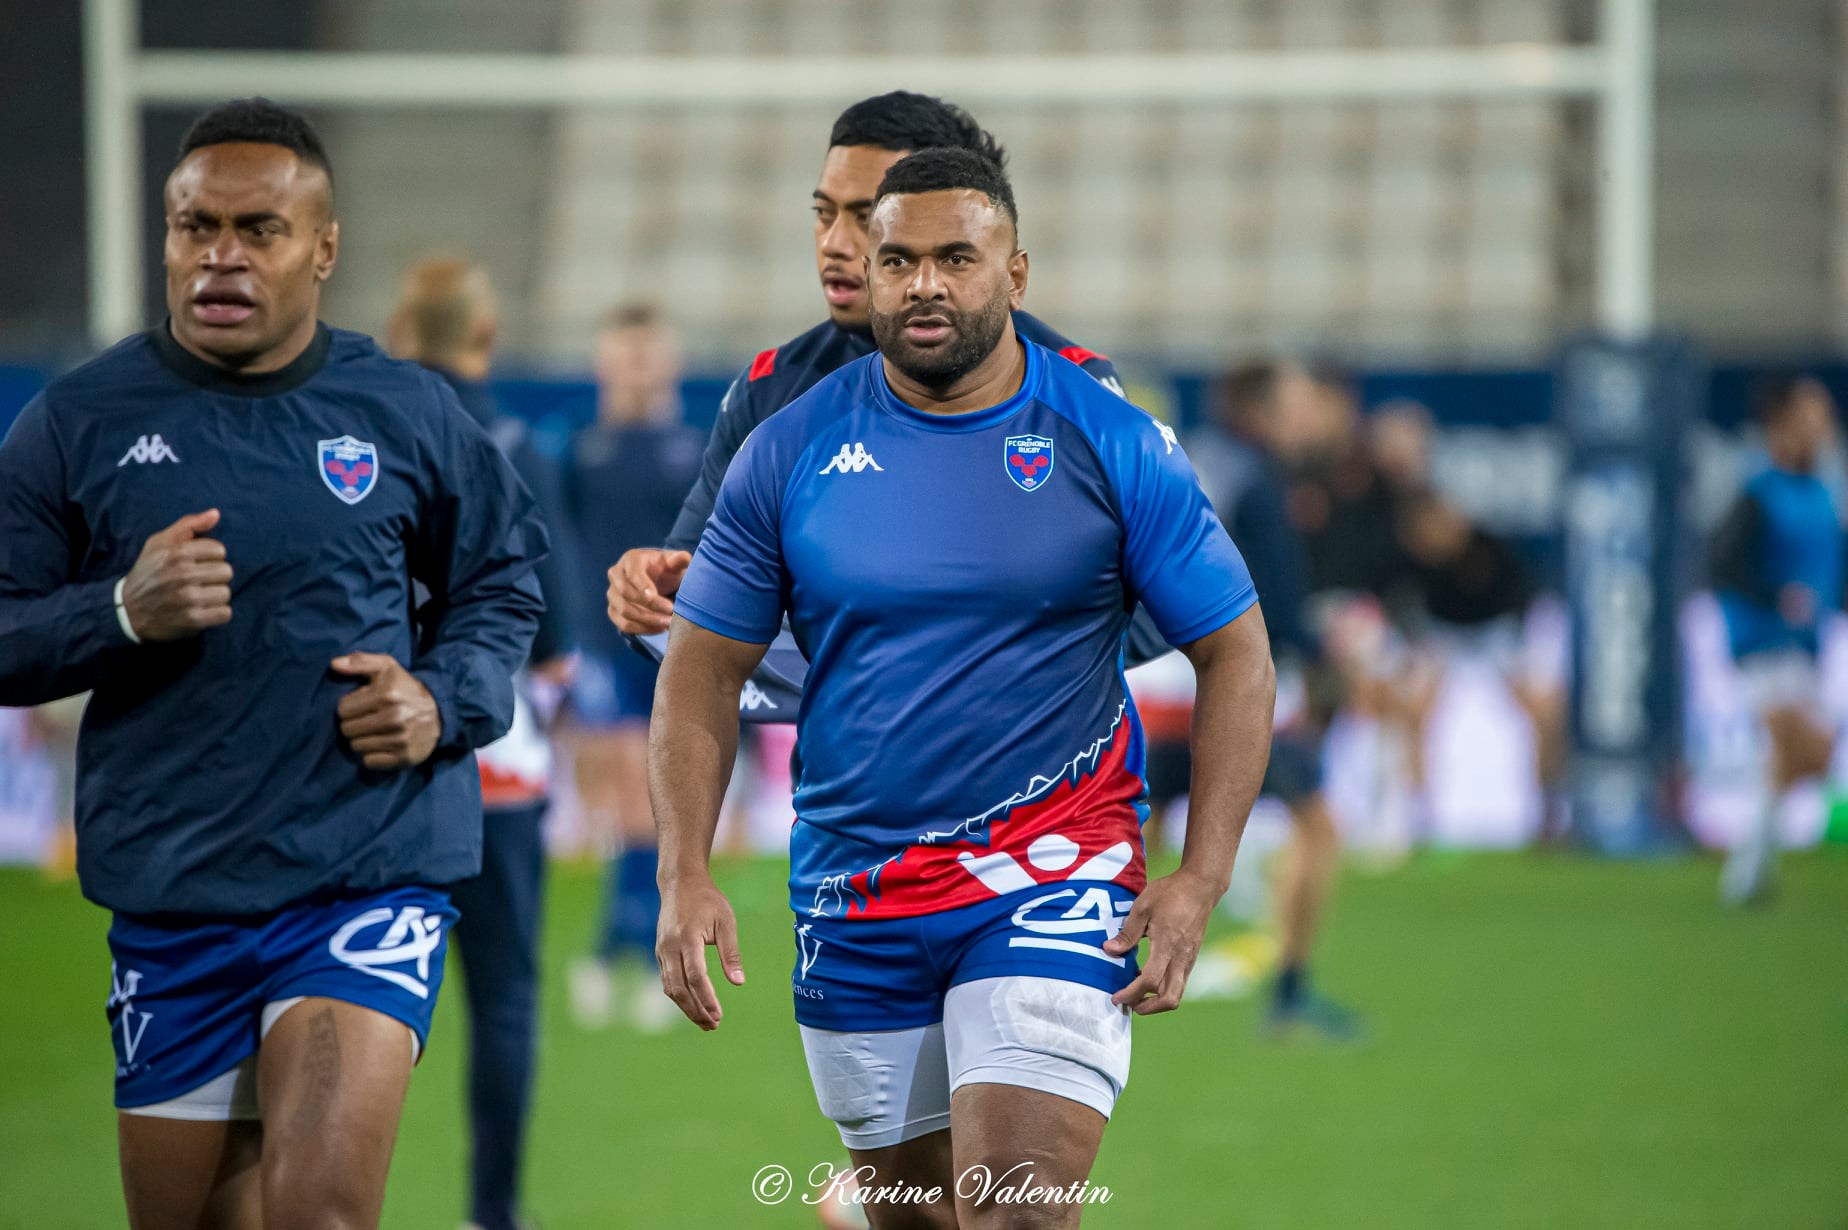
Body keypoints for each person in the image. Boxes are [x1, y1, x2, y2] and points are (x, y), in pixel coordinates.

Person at [651, 149, 1276, 1228]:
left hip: (1055, 870)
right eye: (898, 260)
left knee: (1017, 1210)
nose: (924, 283)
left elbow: (1239, 652)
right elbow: (702, 668)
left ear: (1016, 274)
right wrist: (683, 870)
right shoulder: (786, 449)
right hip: (855, 890)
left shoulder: (1109, 440)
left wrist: (1200, 876)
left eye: (955, 257)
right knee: (917, 1219)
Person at [0, 99, 546, 1230]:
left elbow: (503, 587)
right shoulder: (78, 421)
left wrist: (442, 700)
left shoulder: (405, 412)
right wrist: (117, 610)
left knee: (322, 1211)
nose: (221, 256)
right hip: (174, 897)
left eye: (259, 229)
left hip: (364, 876)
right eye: (194, 227)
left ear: (325, 248)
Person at [605, 91, 1124, 646]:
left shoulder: (1078, 392)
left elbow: (1152, 612)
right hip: (835, 729)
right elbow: (692, 590)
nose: (833, 244)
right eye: (824, 214)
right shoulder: (773, 391)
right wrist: (648, 589)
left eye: (866, 218)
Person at [389, 257, 574, 1230]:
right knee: (502, 1003)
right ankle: (491, 1215)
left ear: (397, 335)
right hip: (497, 768)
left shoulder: (362, 438)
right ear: (487, 338)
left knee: (351, 997)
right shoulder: (514, 444)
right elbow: (553, 635)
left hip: (369, 768)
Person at [1190, 362, 1361, 1038]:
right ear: (1260, 412)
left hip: (1151, 682)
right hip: (1228, 685)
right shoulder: (1260, 481)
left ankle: (1096, 983)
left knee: (1132, 834)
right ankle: (1290, 990)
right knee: (1319, 827)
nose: (1309, 417)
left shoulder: (1189, 457)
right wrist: (1326, 654)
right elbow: (1277, 604)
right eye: (1296, 405)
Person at [562, 302, 704, 1031]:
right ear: (604, 364)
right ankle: (629, 951)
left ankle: (628, 952)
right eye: (626, 353)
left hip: (676, 648)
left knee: (658, 804)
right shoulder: (582, 453)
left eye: (649, 353)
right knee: (624, 801)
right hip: (601, 644)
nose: (638, 367)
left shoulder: (695, 451)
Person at [1710, 375, 1843, 905]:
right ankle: (1745, 875)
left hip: (1808, 647)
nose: (1825, 427)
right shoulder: (1758, 492)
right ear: (1783, 425)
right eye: (1814, 416)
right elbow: (1721, 563)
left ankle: (1752, 864)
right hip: (1762, 645)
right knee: (1790, 744)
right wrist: (1774, 596)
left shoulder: (1823, 494)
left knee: (1805, 757)